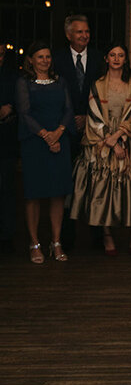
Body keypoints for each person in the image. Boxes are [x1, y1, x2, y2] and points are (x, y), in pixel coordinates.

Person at [71, 43, 131, 255]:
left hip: (127, 142)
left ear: (126, 59)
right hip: (103, 142)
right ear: (106, 59)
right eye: (112, 55)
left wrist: (119, 137)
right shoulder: (97, 85)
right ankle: (107, 236)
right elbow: (94, 115)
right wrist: (111, 141)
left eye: (121, 55)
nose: (116, 59)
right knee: (102, 188)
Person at [16, 42, 75, 263]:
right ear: (30, 60)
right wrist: (46, 136)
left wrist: (57, 133)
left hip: (60, 141)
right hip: (34, 143)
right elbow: (24, 113)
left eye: (48, 56)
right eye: (40, 57)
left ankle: (56, 242)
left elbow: (68, 110)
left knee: (58, 194)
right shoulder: (24, 82)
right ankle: (34, 243)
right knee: (33, 194)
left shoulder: (60, 81)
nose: (45, 60)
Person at [53, 14, 104, 251]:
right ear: (68, 35)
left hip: (94, 129)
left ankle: (98, 236)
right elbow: (53, 94)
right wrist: (71, 118)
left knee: (95, 182)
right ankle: (67, 237)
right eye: (79, 32)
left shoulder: (99, 58)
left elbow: (104, 92)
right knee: (67, 184)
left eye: (87, 31)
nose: (84, 36)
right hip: (65, 130)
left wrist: (88, 117)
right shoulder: (57, 59)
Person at [0, 41, 18, 254]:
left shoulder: (11, 78)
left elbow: (17, 105)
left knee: (7, 189)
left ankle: (6, 237)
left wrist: (8, 110)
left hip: (5, 142)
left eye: (2, 55)